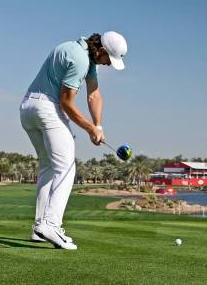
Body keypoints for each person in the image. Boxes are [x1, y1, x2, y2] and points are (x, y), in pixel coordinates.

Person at [20, 31, 127, 250]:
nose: (108, 65)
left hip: (28, 108)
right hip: (47, 109)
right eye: (109, 60)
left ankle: (39, 228)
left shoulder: (83, 53)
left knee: (49, 168)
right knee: (67, 168)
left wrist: (98, 126)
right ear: (102, 51)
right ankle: (51, 224)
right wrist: (89, 129)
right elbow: (67, 103)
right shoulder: (79, 60)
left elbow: (94, 95)